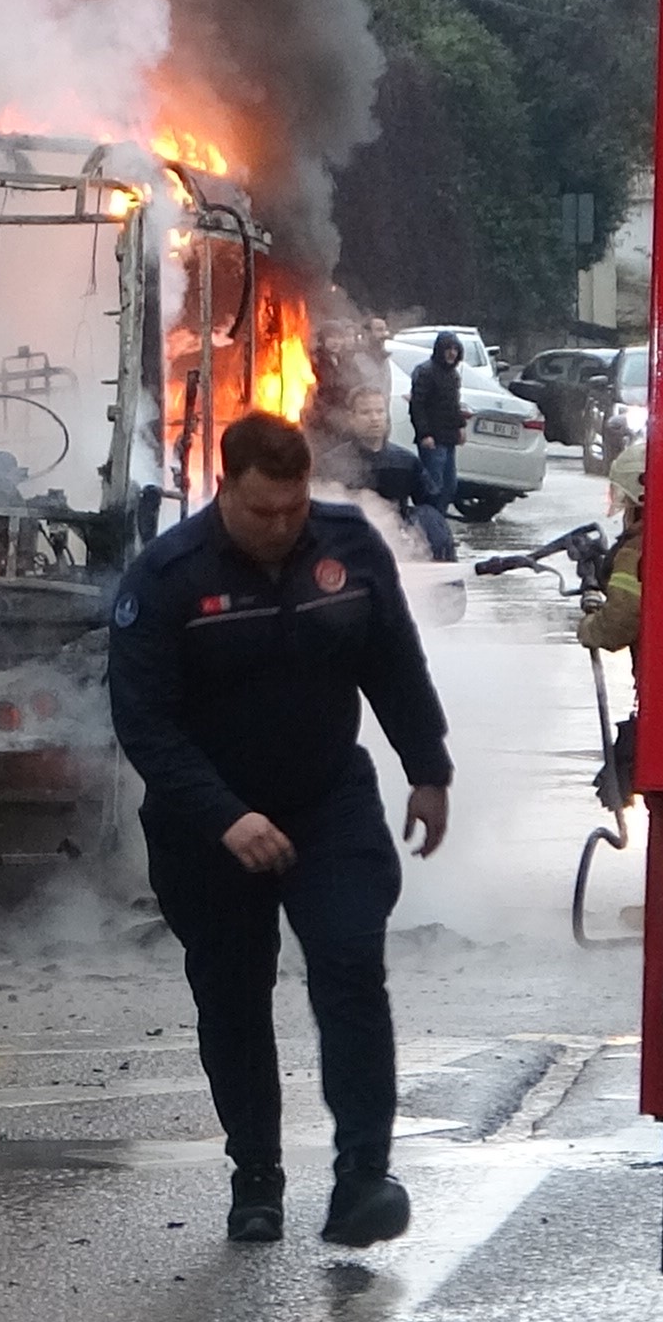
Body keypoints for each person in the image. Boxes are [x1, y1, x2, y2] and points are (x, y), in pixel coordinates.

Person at [109, 411, 453, 1247]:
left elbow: (394, 662)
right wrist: (227, 817)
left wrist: (428, 768)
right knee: (232, 995)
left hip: (326, 800)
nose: (280, 528)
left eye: (293, 509)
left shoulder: (348, 549)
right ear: (224, 489)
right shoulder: (166, 578)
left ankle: (364, 1178)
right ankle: (256, 1173)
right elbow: (144, 724)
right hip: (208, 823)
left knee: (348, 966)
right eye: (263, 512)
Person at [404, 332, 466, 562]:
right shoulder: (426, 372)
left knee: (449, 485)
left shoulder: (452, 375)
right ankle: (430, 533)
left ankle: (439, 530)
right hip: (433, 440)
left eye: (455, 349)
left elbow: (453, 405)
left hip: (448, 439)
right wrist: (424, 434)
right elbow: (417, 406)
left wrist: (460, 427)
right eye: (447, 349)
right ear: (439, 350)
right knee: (433, 487)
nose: (451, 353)